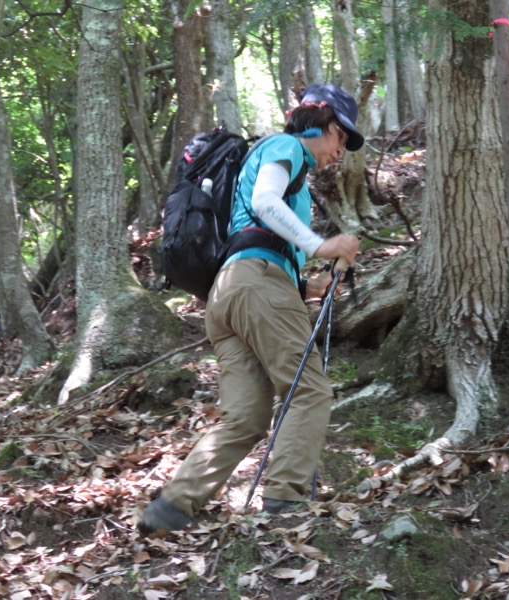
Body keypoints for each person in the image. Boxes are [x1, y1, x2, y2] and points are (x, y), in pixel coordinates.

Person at [139, 83, 363, 534]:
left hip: (228, 294)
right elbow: (264, 202)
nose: (340, 153)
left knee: (246, 416)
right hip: (255, 284)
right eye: (342, 139)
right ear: (326, 125)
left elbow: (261, 238)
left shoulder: (274, 160)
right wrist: (322, 244)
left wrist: (314, 279)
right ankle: (284, 504)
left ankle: (172, 507)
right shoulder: (286, 146)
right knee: (310, 390)